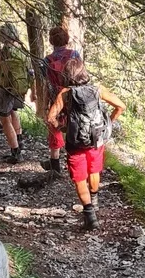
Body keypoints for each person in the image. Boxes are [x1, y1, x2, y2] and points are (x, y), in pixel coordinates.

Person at [46, 60, 124, 230]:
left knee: (80, 178)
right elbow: (120, 106)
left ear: (67, 75)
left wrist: (63, 127)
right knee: (94, 171)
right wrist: (108, 124)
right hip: (96, 140)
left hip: (75, 142)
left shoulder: (65, 94)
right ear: (83, 73)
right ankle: (94, 201)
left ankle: (90, 216)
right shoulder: (98, 90)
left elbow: (50, 118)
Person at [0, 22, 33, 163]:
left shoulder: (0, 53)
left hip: (4, 90)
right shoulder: (24, 52)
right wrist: (33, 92)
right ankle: (19, 141)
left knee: (5, 120)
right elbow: (31, 74)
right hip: (19, 89)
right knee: (13, 112)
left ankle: (15, 152)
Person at [40, 26, 82, 173]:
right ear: (66, 39)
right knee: (74, 126)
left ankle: (55, 163)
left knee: (54, 127)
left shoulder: (46, 60)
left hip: (55, 97)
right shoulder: (75, 54)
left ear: (51, 41)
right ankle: (74, 163)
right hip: (73, 96)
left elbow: (46, 84)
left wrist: (45, 104)